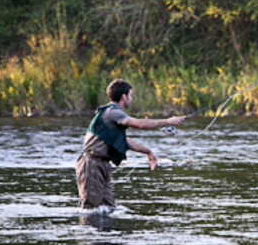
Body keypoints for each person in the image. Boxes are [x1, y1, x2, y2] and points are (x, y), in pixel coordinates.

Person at [76, 79, 185, 209]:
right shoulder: (112, 112)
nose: (132, 99)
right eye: (130, 95)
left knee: (108, 208)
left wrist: (148, 151)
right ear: (124, 96)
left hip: (102, 165)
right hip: (92, 164)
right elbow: (140, 124)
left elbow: (125, 140)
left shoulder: (114, 114)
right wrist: (167, 121)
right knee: (91, 209)